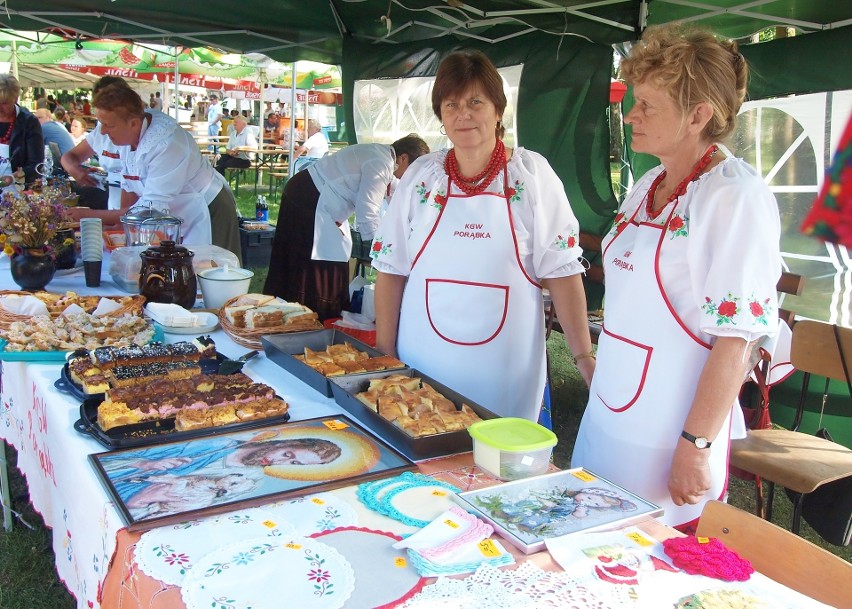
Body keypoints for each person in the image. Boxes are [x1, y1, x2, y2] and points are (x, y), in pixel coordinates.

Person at [570, 24, 785, 532]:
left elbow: (737, 341)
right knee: (584, 538)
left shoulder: (732, 196)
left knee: (645, 559)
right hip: (609, 410)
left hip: (667, 432)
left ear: (697, 115)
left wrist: (697, 446)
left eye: (646, 104)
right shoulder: (648, 183)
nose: (630, 114)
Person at [372, 50, 594, 423]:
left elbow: (562, 272)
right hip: (424, 354)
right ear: (441, 115)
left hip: (505, 366)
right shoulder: (422, 177)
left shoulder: (530, 175)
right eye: (451, 104)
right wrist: (384, 353)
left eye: (476, 101)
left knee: (499, 461)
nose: (464, 113)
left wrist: (584, 357)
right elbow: (391, 268)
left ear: (497, 109)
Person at [61, 84, 242, 261]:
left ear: (133, 123)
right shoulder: (129, 135)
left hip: (209, 206)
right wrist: (119, 226)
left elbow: (150, 210)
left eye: (108, 125)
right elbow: (129, 183)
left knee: (215, 274)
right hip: (173, 212)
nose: (102, 131)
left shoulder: (167, 144)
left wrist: (90, 215)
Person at [264, 135, 429, 320]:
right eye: (413, 169)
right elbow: (367, 210)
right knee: (314, 259)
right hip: (307, 197)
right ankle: (302, 314)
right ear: (404, 158)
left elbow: (398, 204)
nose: (412, 176)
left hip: (317, 199)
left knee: (334, 254)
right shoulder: (380, 162)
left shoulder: (386, 161)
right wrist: (380, 252)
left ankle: (313, 314)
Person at [61, 76, 131, 210]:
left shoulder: (139, 135)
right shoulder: (100, 131)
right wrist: (75, 170)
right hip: (114, 209)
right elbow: (69, 157)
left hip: (134, 217)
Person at [0, 74, 44, 189]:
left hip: (18, 191)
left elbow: (36, 164)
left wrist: (13, 177)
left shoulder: (29, 122)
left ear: (15, 99)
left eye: (4, 103)